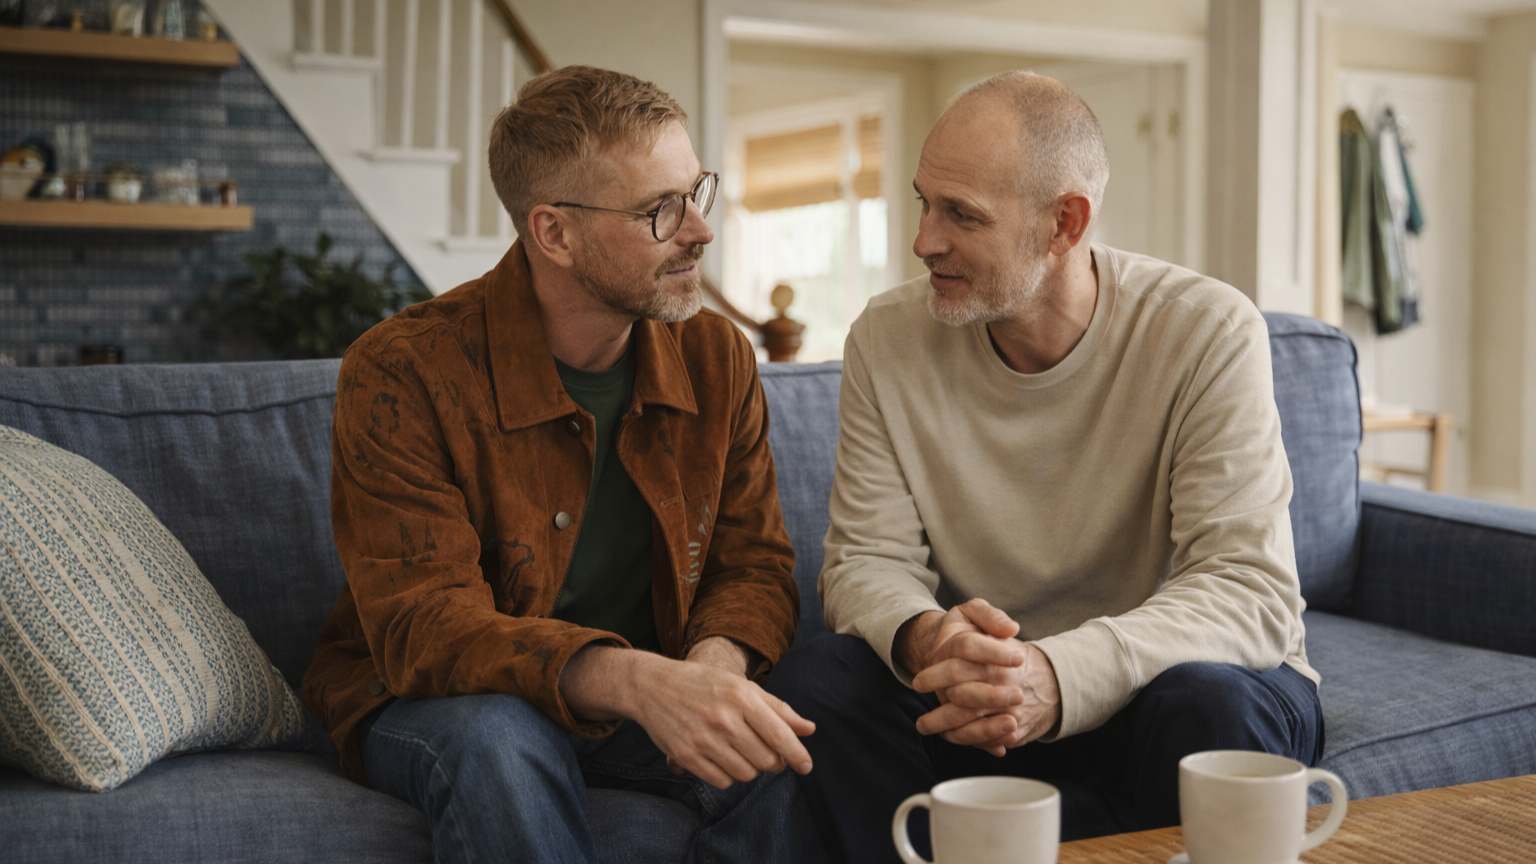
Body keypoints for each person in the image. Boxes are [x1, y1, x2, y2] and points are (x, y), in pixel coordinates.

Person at [766, 71, 1323, 862]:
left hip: (1155, 689)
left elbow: (1249, 592)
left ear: (1066, 223)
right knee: (821, 679)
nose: (924, 239)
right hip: (982, 704)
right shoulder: (886, 339)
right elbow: (863, 562)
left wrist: (1058, 675)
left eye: (961, 214)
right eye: (925, 201)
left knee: (1210, 700)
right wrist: (931, 640)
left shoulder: (1205, 331)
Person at [302, 65, 822, 864]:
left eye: (696, 192)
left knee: (772, 750)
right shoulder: (403, 370)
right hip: (434, 700)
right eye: (660, 210)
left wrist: (713, 681)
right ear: (554, 234)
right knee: (499, 737)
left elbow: (752, 566)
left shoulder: (714, 357)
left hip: (637, 699)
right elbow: (426, 628)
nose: (700, 230)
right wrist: (640, 681)